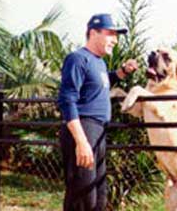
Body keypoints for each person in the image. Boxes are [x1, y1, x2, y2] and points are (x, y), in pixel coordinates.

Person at [58, 13, 138, 211]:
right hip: (84, 129)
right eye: (110, 34)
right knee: (83, 198)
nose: (115, 40)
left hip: (99, 132)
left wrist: (122, 72)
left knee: (98, 198)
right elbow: (67, 100)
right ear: (93, 33)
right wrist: (81, 141)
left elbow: (99, 83)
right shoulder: (77, 59)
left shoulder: (99, 63)